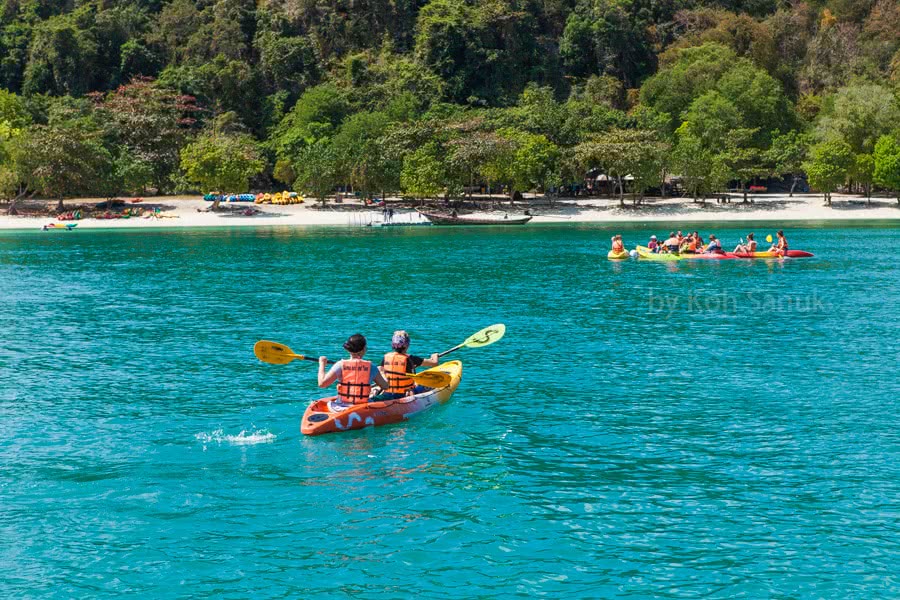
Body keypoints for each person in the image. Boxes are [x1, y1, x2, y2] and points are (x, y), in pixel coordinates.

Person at [318, 334, 390, 406]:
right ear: (363, 349)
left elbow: (322, 383)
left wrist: (322, 364)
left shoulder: (340, 365)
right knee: (386, 396)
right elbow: (385, 386)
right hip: (363, 407)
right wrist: (382, 372)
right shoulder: (372, 367)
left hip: (340, 406)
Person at [379, 331, 440, 399]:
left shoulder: (386, 357)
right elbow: (434, 363)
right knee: (427, 384)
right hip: (405, 394)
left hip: (388, 393)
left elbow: (381, 370)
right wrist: (435, 356)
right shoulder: (411, 359)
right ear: (407, 345)